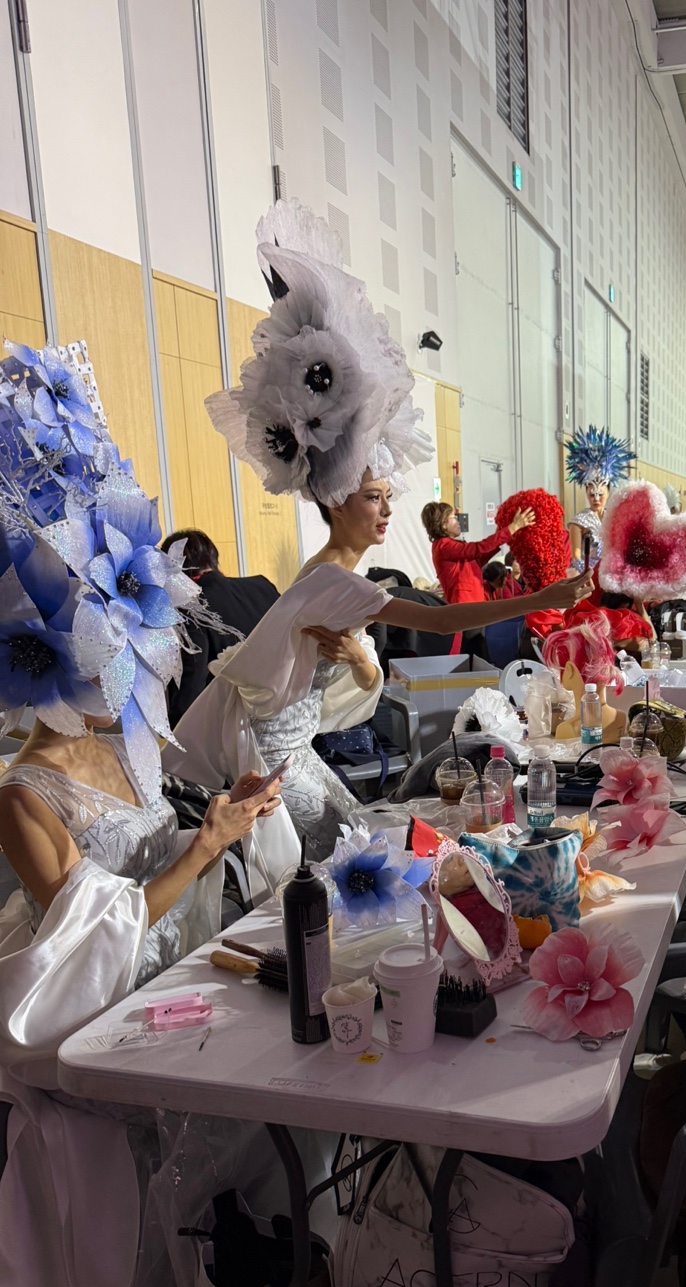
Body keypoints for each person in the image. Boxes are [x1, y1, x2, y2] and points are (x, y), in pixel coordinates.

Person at [0, 339, 281, 1287]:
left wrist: (226, 820)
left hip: (159, 980)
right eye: (96, 627)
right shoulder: (22, 793)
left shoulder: (126, 738)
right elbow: (85, 939)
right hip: (77, 1022)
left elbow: (160, 863)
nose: (118, 645)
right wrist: (203, 851)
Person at [168, 201, 593, 885]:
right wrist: (546, 596)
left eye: (389, 496)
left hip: (294, 752)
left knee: (360, 851)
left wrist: (358, 660)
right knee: (353, 861)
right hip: (278, 761)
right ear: (337, 501)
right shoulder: (333, 579)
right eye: (374, 497)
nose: (386, 510)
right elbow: (443, 622)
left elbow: (353, 676)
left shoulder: (328, 576)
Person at [160, 528, 279, 726]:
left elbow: (191, 687)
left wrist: (172, 731)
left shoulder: (192, 607)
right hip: (290, 715)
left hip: (236, 727)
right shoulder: (262, 586)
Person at [422, 500, 534, 604]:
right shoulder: (443, 546)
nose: (458, 521)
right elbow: (478, 548)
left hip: (473, 603)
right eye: (454, 517)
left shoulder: (447, 546)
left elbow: (478, 558)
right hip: (465, 605)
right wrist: (513, 528)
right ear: (443, 524)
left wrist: (503, 533)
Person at [565, 425, 634, 571]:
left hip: (611, 573)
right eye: (592, 494)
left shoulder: (615, 518)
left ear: (608, 493)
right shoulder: (578, 523)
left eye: (600, 494)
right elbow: (576, 557)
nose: (596, 499)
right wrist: (588, 575)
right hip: (588, 575)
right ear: (586, 493)